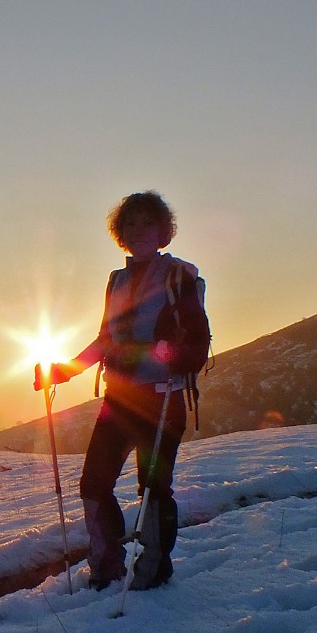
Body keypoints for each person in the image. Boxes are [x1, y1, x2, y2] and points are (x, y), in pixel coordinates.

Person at [35, 191, 211, 590]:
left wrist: (179, 355)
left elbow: (197, 338)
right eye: (130, 224)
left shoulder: (179, 275)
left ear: (163, 230)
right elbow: (106, 339)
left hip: (162, 397)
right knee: (94, 484)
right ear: (121, 234)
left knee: (152, 488)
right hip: (120, 400)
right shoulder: (117, 281)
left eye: (147, 222)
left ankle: (152, 569)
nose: (138, 231)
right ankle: (106, 566)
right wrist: (65, 371)